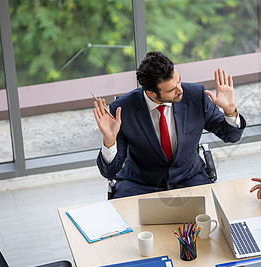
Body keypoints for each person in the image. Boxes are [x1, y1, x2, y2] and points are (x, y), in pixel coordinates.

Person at [93, 51, 246, 198]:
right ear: (151, 93)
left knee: (209, 220)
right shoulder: (123, 110)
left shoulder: (196, 96)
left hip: (189, 179)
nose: (180, 90)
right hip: (140, 184)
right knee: (127, 223)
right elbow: (110, 172)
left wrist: (230, 110)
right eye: (172, 89)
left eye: (179, 81)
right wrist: (109, 140)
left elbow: (231, 136)